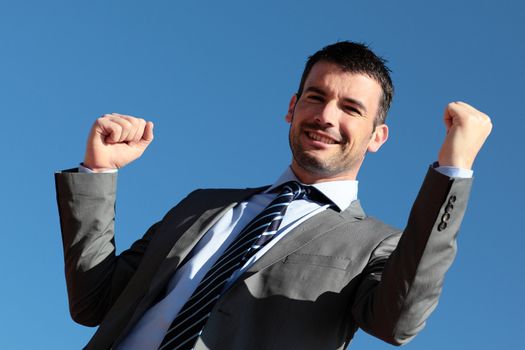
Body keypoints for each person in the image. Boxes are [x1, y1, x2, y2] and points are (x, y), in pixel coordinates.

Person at [55, 41, 492, 350]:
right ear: (291, 107)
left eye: (351, 109)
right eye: (315, 98)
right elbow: (94, 302)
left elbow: (398, 322)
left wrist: (453, 171)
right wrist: (99, 171)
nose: (325, 116)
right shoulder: (201, 204)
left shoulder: (379, 245)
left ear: (378, 136)